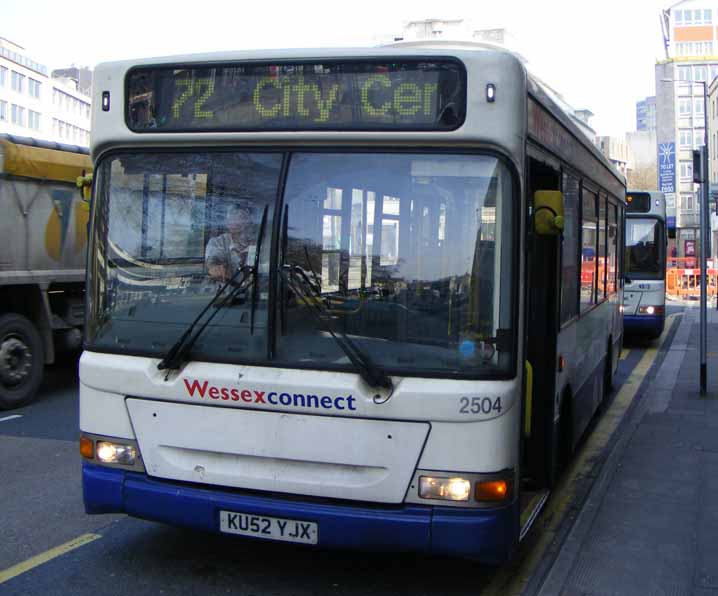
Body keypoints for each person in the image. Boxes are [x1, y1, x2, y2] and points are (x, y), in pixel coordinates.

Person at [205, 203, 256, 282]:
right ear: (227, 222)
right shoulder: (218, 242)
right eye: (233, 217)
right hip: (228, 291)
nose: (237, 221)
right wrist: (215, 267)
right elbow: (213, 259)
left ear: (249, 222)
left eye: (242, 217)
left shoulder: (261, 243)